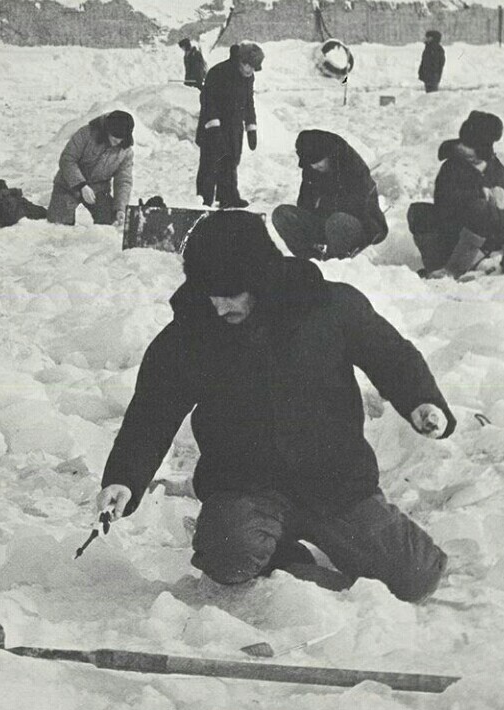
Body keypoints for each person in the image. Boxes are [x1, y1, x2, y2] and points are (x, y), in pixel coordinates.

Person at [98, 211, 457, 601]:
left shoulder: (327, 307)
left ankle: (308, 544)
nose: (219, 307)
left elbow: (391, 356)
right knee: (228, 555)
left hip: (335, 482)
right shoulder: (192, 333)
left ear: (260, 279)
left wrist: (421, 400)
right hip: (245, 485)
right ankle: (281, 552)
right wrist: (124, 478)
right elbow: (153, 410)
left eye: (230, 293)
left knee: (418, 577)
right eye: (210, 295)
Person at [428, 110, 504, 277]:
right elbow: (447, 205)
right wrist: (484, 196)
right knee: (479, 207)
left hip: (496, 239)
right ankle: (460, 267)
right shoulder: (452, 168)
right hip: (461, 240)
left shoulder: (493, 165)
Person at [272, 129, 388, 260]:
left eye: (318, 161)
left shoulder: (353, 167)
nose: (314, 166)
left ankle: (336, 262)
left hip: (359, 226)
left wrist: (325, 203)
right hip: (325, 224)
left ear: (329, 155)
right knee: (282, 214)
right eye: (311, 163)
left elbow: (360, 206)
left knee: (336, 221)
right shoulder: (312, 169)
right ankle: (310, 260)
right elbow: (304, 204)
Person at [195, 41, 264, 209]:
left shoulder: (248, 77)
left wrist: (251, 126)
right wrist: (214, 127)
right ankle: (204, 201)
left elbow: (249, 101)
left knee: (231, 161)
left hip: (234, 128)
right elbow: (207, 100)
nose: (250, 70)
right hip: (214, 128)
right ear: (240, 61)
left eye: (253, 68)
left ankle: (228, 197)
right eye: (248, 66)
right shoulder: (219, 72)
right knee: (211, 164)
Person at [47, 109, 134, 227]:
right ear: (107, 130)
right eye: (114, 138)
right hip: (68, 184)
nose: (117, 142)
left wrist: (120, 208)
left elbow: (123, 181)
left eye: (121, 139)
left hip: (99, 189)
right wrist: (81, 185)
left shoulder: (126, 151)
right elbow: (67, 159)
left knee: (110, 226)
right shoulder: (86, 134)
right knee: (58, 227)